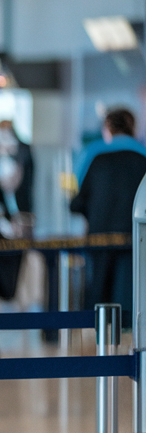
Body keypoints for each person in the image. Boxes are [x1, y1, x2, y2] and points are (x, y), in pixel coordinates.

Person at [71, 109, 146, 317]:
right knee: (132, 299)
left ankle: (98, 344)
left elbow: (76, 202)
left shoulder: (93, 156)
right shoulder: (143, 158)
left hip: (99, 240)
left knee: (99, 298)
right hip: (136, 242)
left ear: (108, 129)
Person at [74, 107, 146, 187]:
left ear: (107, 128)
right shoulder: (143, 152)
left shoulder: (92, 152)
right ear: (133, 128)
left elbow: (78, 182)